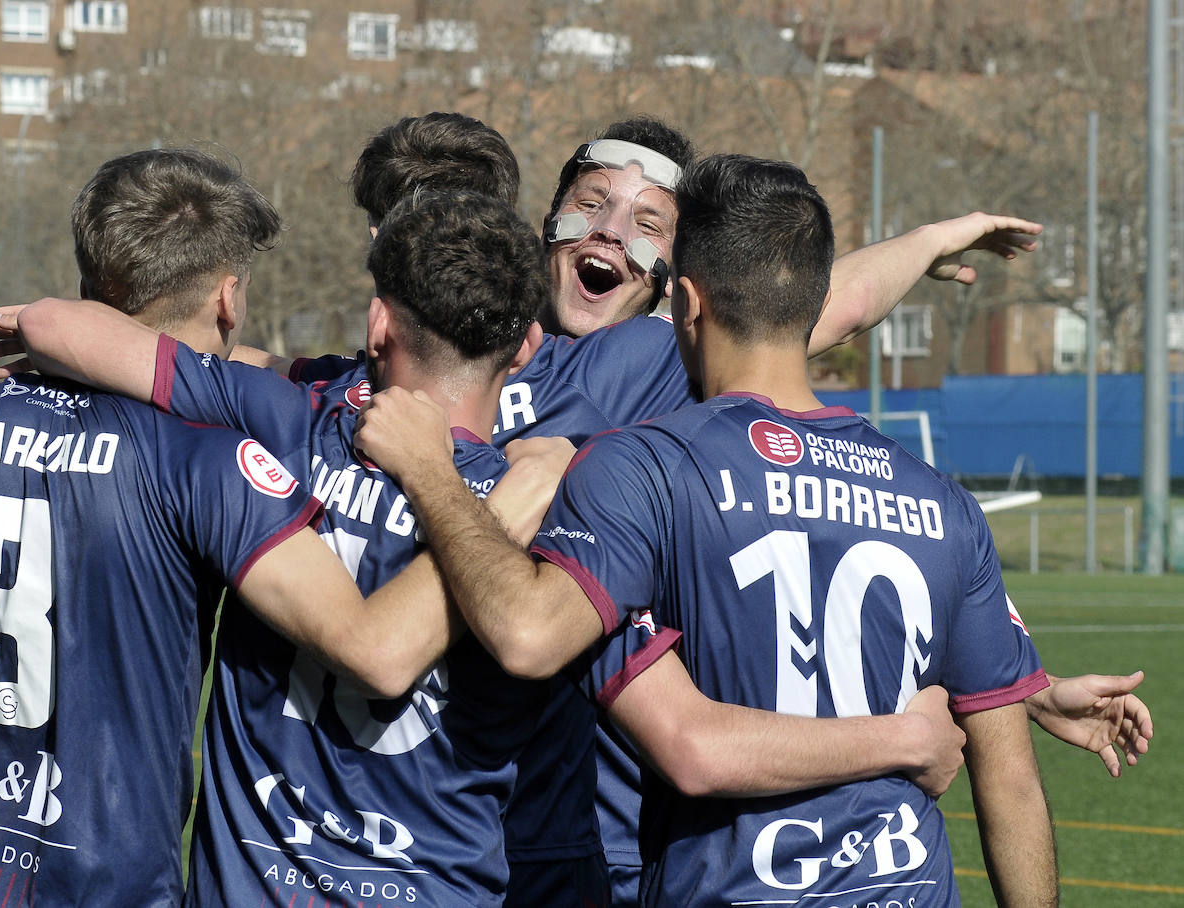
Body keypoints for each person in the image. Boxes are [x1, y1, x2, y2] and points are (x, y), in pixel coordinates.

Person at [0, 148, 511, 906]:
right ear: (227, 298)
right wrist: (497, 513)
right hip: (109, 889)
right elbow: (371, 648)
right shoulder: (208, 460)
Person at [354, 153, 1059, 906]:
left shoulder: (640, 470)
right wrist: (980, 708)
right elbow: (1010, 778)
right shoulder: (940, 499)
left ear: (683, 302)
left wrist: (441, 472)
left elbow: (551, 648)